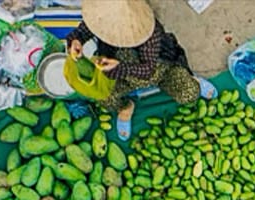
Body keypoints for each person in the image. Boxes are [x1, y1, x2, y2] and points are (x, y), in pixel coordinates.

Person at [67, 0, 215, 141]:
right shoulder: (102, 18)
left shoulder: (150, 33)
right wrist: (76, 41)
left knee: (189, 93)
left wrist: (120, 67)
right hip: (121, 77)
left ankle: (193, 80)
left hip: (158, 71)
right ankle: (126, 107)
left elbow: (148, 71)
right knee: (105, 97)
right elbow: (82, 31)